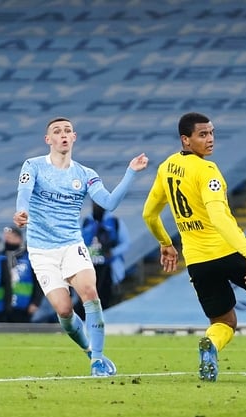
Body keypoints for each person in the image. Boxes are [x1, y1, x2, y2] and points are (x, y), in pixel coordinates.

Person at [142, 112, 246, 383]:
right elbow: (218, 218)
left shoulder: (166, 167)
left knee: (223, 322)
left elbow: (149, 214)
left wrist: (166, 243)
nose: (210, 139)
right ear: (186, 139)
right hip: (228, 250)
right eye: (202, 134)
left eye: (212, 132)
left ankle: (211, 346)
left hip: (197, 261)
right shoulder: (207, 170)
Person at [14, 116, 149, 377]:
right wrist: (21, 212)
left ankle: (97, 361)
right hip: (42, 250)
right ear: (48, 139)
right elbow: (25, 193)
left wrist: (131, 172)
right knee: (64, 310)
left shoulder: (85, 174)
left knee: (89, 291)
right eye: (57, 131)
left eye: (67, 131)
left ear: (74, 137)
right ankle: (89, 349)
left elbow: (108, 203)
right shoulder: (33, 166)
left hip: (71, 245)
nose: (63, 134)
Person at [81, 202, 130, 310]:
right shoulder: (87, 222)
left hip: (109, 268)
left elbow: (126, 243)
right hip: (91, 267)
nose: (96, 207)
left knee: (106, 299)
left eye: (99, 204)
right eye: (94, 204)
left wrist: (113, 252)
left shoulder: (115, 222)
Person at [2, 226, 44, 323]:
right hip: (4, 306)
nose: (8, 239)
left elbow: (38, 281)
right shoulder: (1, 257)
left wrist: (36, 302)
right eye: (6, 237)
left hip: (24, 305)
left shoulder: (29, 257)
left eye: (11, 236)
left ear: (19, 238)